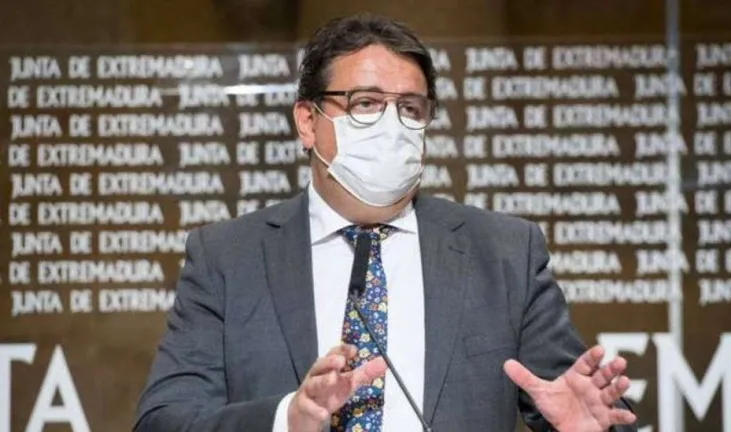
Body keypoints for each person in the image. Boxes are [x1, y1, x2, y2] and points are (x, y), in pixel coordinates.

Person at [133, 13, 638, 432]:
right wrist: (288, 418)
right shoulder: (227, 258)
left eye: (411, 109)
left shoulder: (504, 253)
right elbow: (164, 421)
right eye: (366, 104)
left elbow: (584, 406)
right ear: (308, 122)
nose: (392, 126)